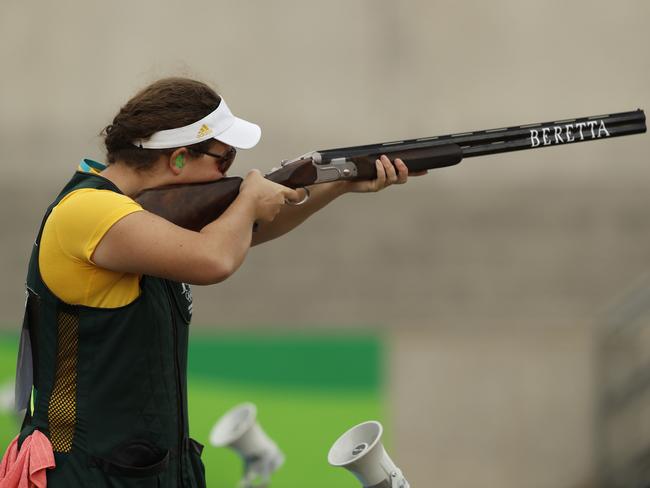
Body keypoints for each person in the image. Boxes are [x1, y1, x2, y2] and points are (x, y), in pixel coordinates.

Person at [9, 77, 422, 487]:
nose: (230, 171)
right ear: (179, 159)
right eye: (223, 159)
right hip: (86, 473)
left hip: (138, 471)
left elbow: (247, 231)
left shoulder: (134, 212)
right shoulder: (88, 211)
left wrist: (341, 182)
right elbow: (215, 258)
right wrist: (247, 200)